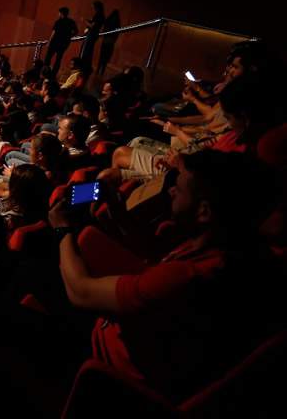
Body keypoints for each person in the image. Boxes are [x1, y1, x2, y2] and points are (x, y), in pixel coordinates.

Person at [48, 150, 284, 400]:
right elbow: (151, 255)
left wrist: (62, 230)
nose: (170, 190)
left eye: (178, 189)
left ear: (204, 211)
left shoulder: (186, 276)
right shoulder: (225, 241)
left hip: (116, 371)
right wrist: (117, 208)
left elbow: (81, 292)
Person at [44, 7, 78, 76]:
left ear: (61, 13)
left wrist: (49, 42)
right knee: (58, 59)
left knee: (48, 57)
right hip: (64, 43)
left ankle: (45, 71)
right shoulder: (71, 22)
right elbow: (76, 31)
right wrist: (69, 36)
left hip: (55, 42)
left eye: (59, 13)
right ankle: (54, 73)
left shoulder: (58, 22)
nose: (58, 14)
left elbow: (53, 33)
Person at [79, 0, 105, 67]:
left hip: (92, 34)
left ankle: (83, 65)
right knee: (89, 50)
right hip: (94, 34)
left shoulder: (98, 15)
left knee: (86, 51)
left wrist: (85, 21)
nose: (93, 9)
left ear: (97, 7)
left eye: (93, 7)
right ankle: (86, 65)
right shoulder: (101, 15)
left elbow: (92, 26)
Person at [97, 9, 120, 76]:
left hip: (105, 41)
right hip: (110, 42)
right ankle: (102, 71)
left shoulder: (109, 21)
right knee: (106, 58)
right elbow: (116, 34)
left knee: (101, 56)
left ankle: (98, 70)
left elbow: (105, 27)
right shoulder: (117, 23)